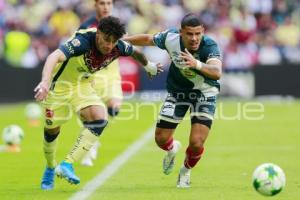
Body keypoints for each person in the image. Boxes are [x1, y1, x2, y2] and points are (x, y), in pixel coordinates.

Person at [34, 16, 162, 190]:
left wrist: (149, 66)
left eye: (113, 41)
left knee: (100, 118)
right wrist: (45, 82)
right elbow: (54, 56)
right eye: (106, 40)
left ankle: (67, 165)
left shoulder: (118, 46)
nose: (109, 45)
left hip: (82, 85)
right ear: (98, 34)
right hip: (59, 87)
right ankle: (50, 166)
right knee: (51, 131)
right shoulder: (83, 42)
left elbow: (136, 52)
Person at [124, 13, 222, 188]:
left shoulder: (210, 45)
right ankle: (171, 149)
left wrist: (196, 64)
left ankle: (185, 171)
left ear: (203, 32)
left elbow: (217, 71)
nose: (194, 38)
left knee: (196, 142)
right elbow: (148, 39)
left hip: (204, 93)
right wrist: (124, 40)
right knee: (161, 138)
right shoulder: (170, 38)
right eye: (190, 34)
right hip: (178, 92)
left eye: (198, 34)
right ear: (181, 32)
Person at [78, 0, 120, 167]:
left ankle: (93, 138)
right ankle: (90, 145)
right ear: (95, 5)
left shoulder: (117, 25)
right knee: (93, 118)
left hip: (112, 76)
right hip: (93, 75)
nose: (106, 7)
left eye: (109, 3)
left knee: (113, 108)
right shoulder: (87, 26)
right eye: (102, 3)